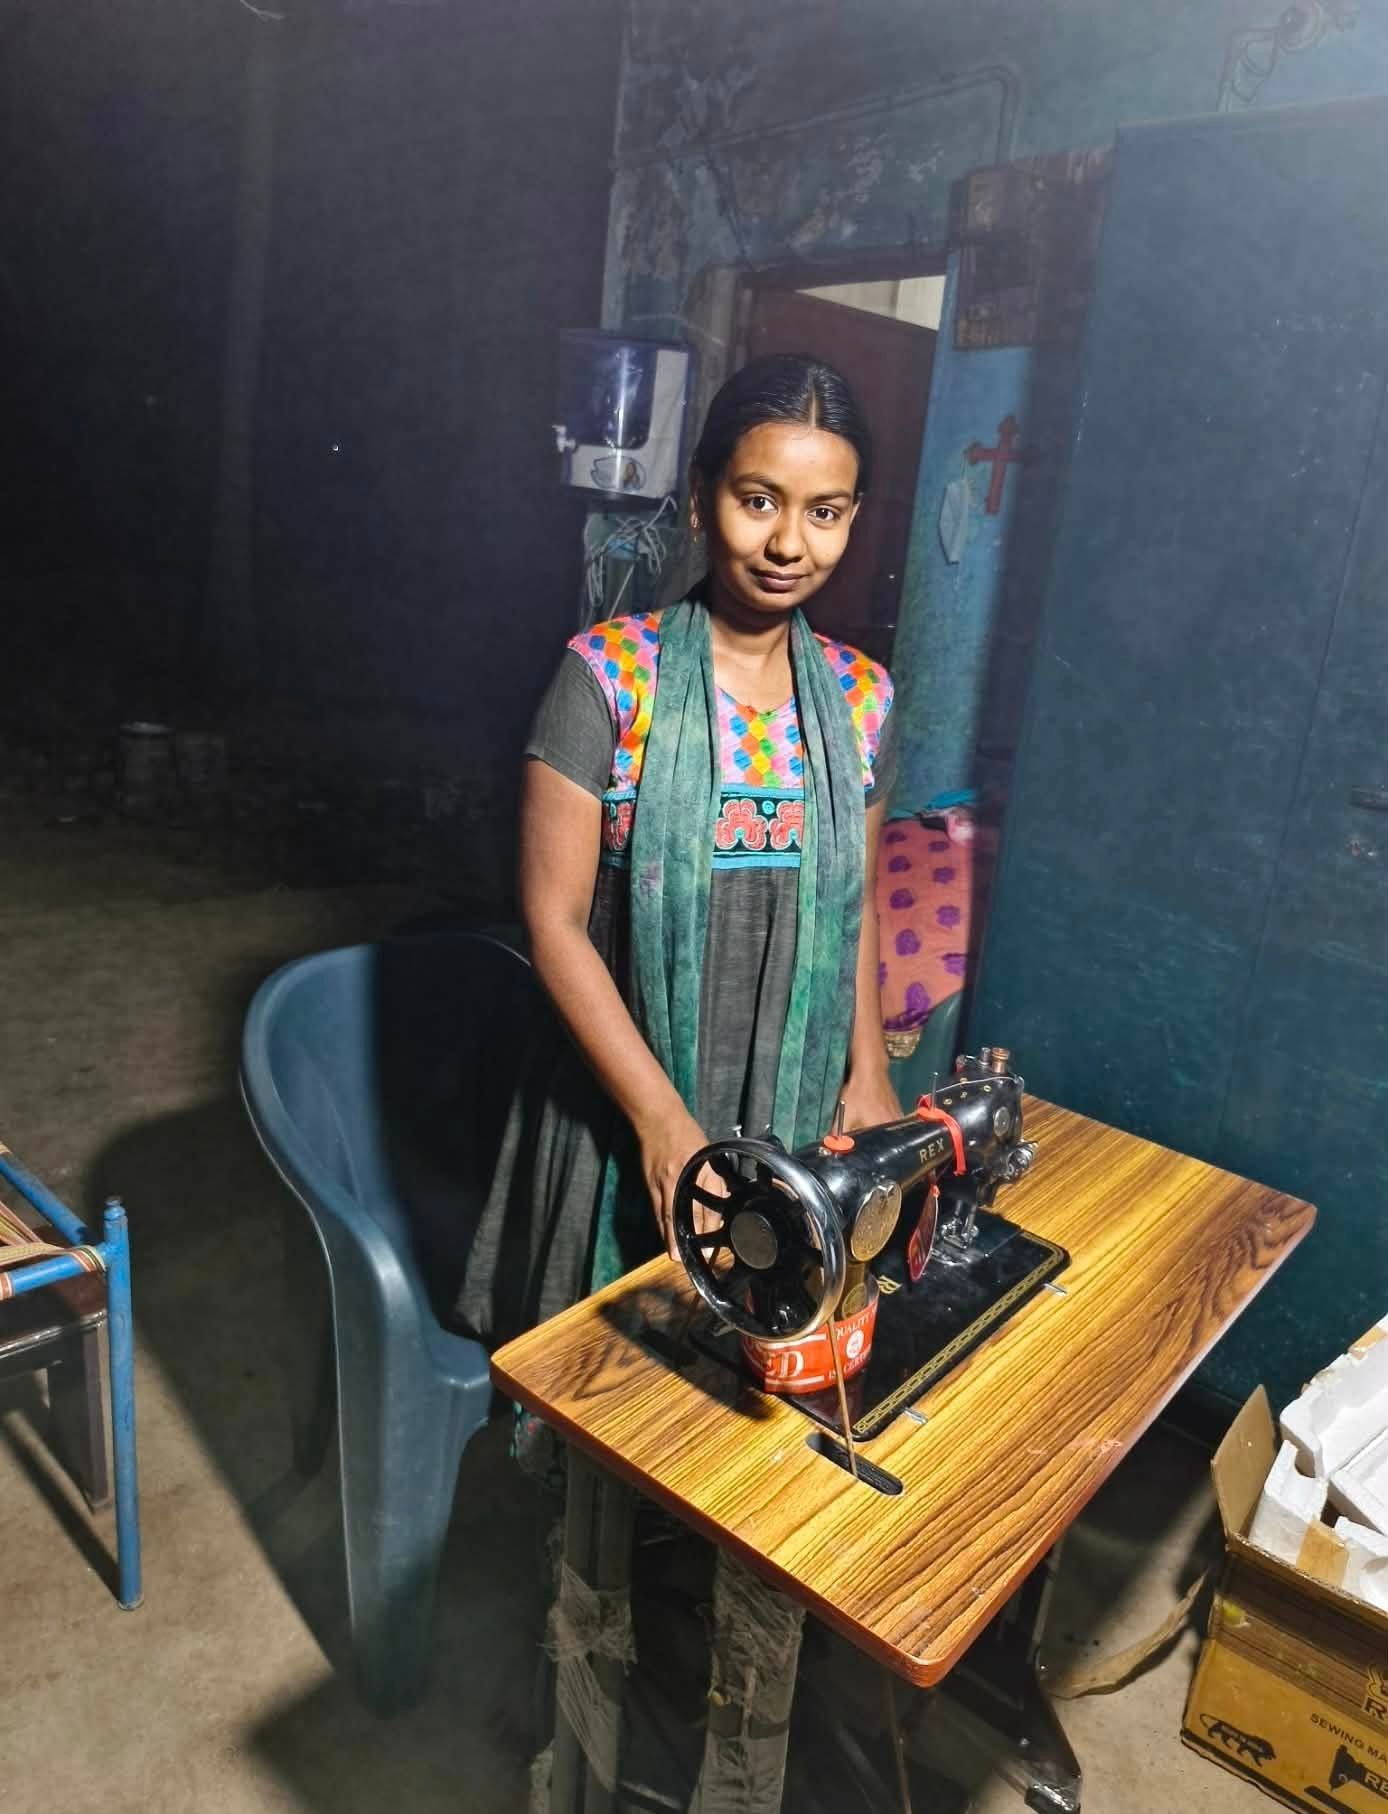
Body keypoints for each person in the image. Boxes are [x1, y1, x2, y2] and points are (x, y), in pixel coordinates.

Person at [458, 353, 901, 1386]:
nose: (789, 542)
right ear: (702, 500)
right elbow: (555, 922)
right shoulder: (607, 678)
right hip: (628, 1100)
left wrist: (868, 1070)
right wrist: (662, 1126)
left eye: (824, 511)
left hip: (789, 1102)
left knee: (773, 1380)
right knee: (614, 1395)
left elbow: (851, 902)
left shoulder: (863, 699)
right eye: (758, 501)